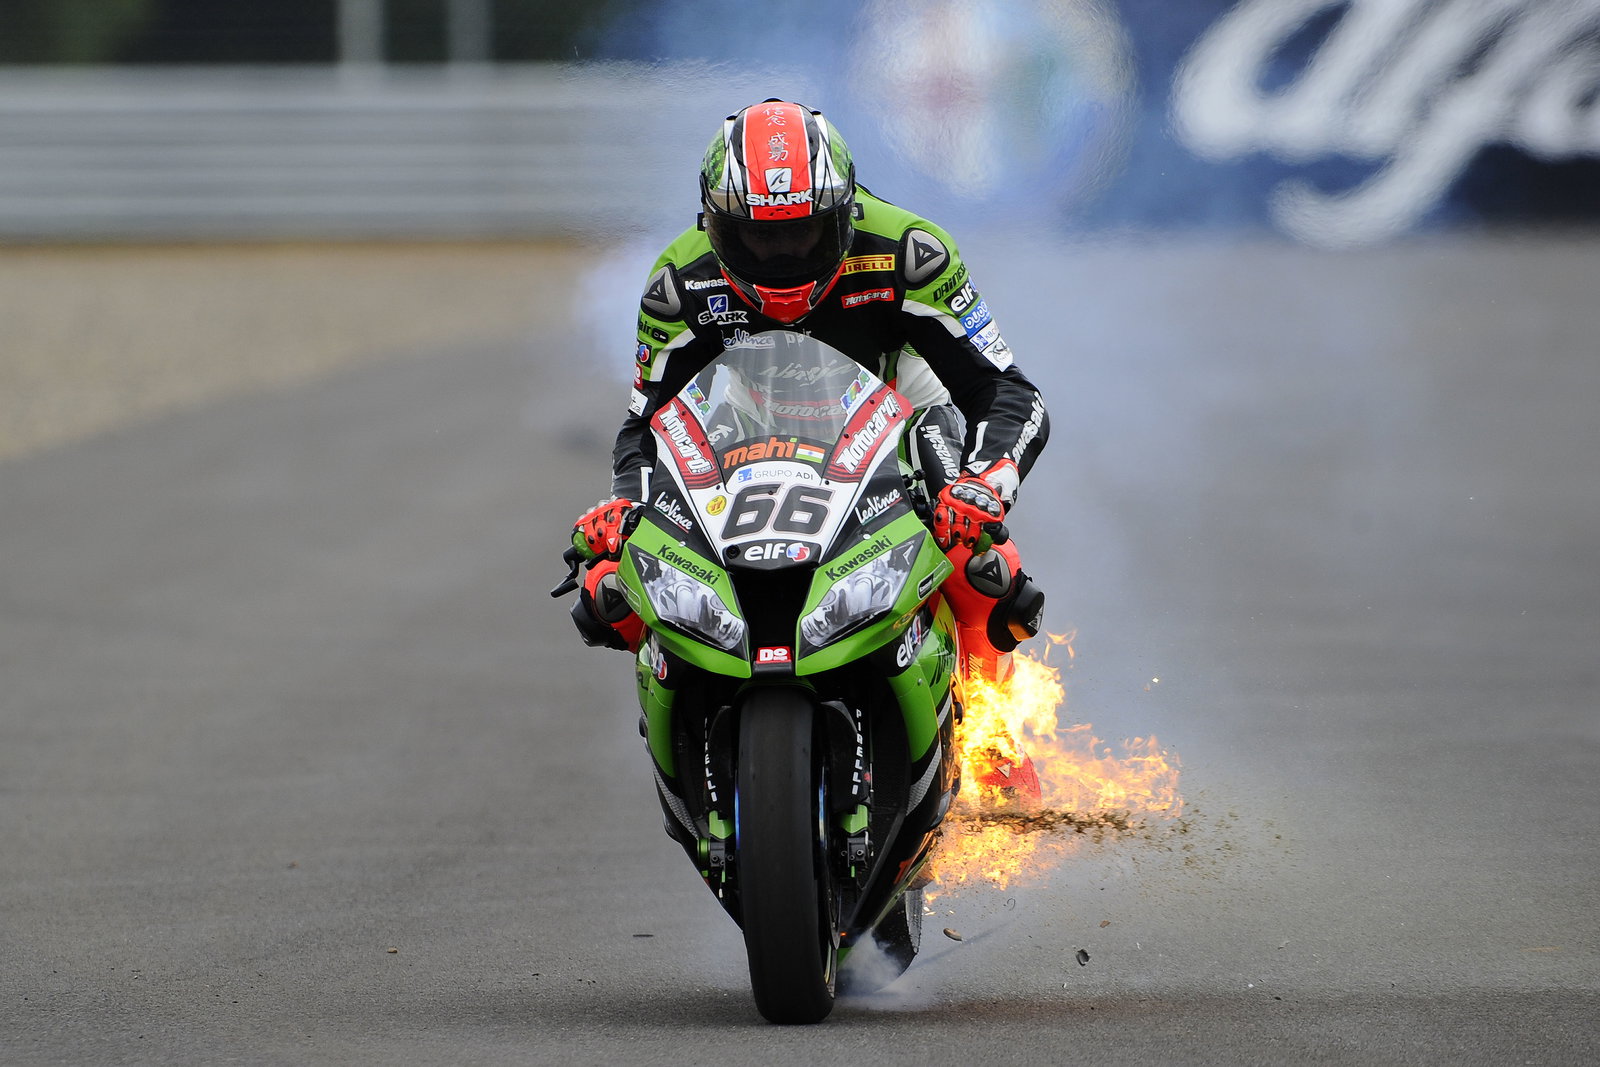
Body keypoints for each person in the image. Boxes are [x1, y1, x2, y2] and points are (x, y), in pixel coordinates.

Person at [569, 99, 1049, 686]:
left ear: (845, 211)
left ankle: (992, 747)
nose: (782, 257)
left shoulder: (911, 252)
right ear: (713, 223)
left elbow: (1005, 388)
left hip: (898, 424)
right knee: (608, 591)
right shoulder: (679, 284)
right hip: (738, 446)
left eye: (804, 233)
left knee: (982, 569)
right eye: (755, 239)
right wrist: (625, 507)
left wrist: (980, 483)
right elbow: (644, 424)